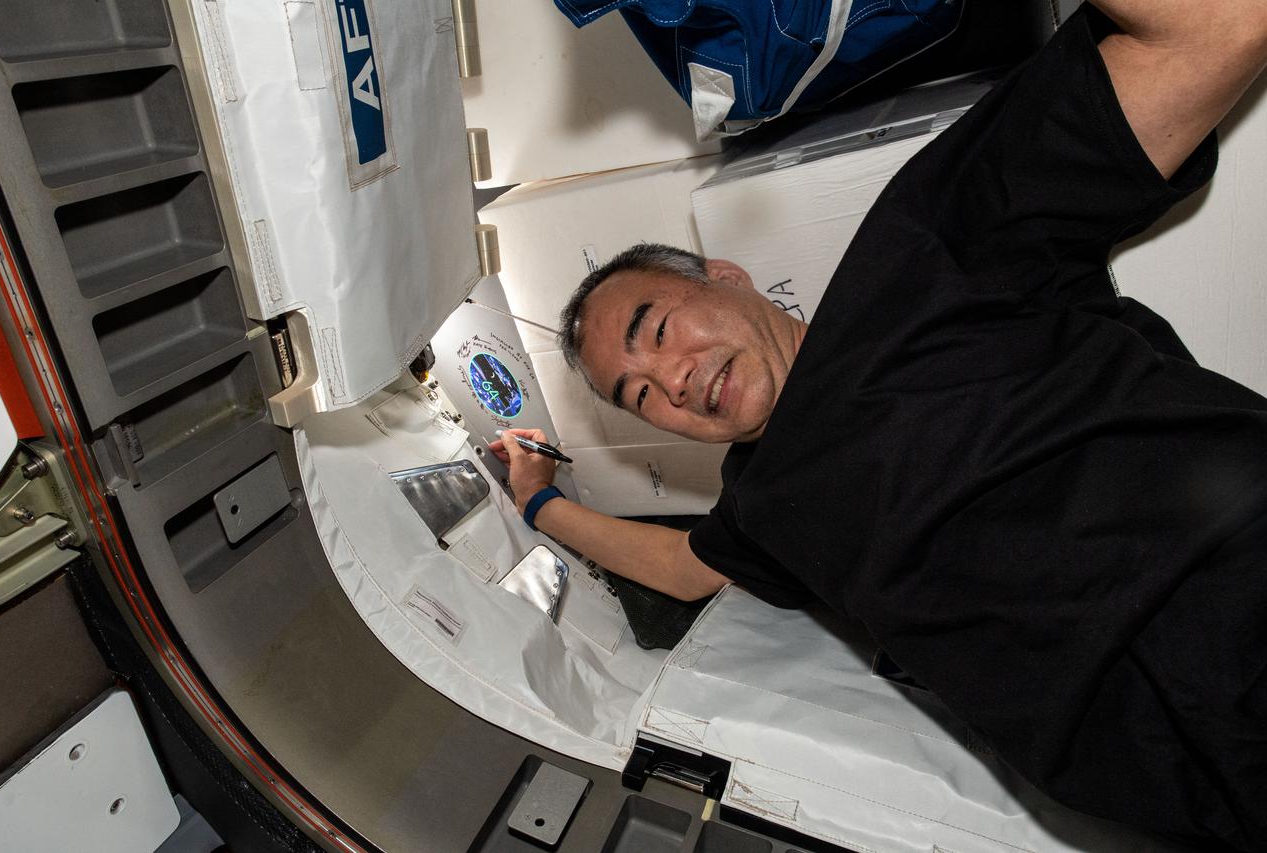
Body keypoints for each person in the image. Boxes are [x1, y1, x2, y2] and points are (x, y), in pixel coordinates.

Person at [491, 2, 1267, 849]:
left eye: (660, 329)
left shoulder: (921, 254)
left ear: (726, 277)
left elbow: (1216, 28)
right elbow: (680, 569)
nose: (671, 380)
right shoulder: (760, 507)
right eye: (639, 396)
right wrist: (538, 501)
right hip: (1209, 784)